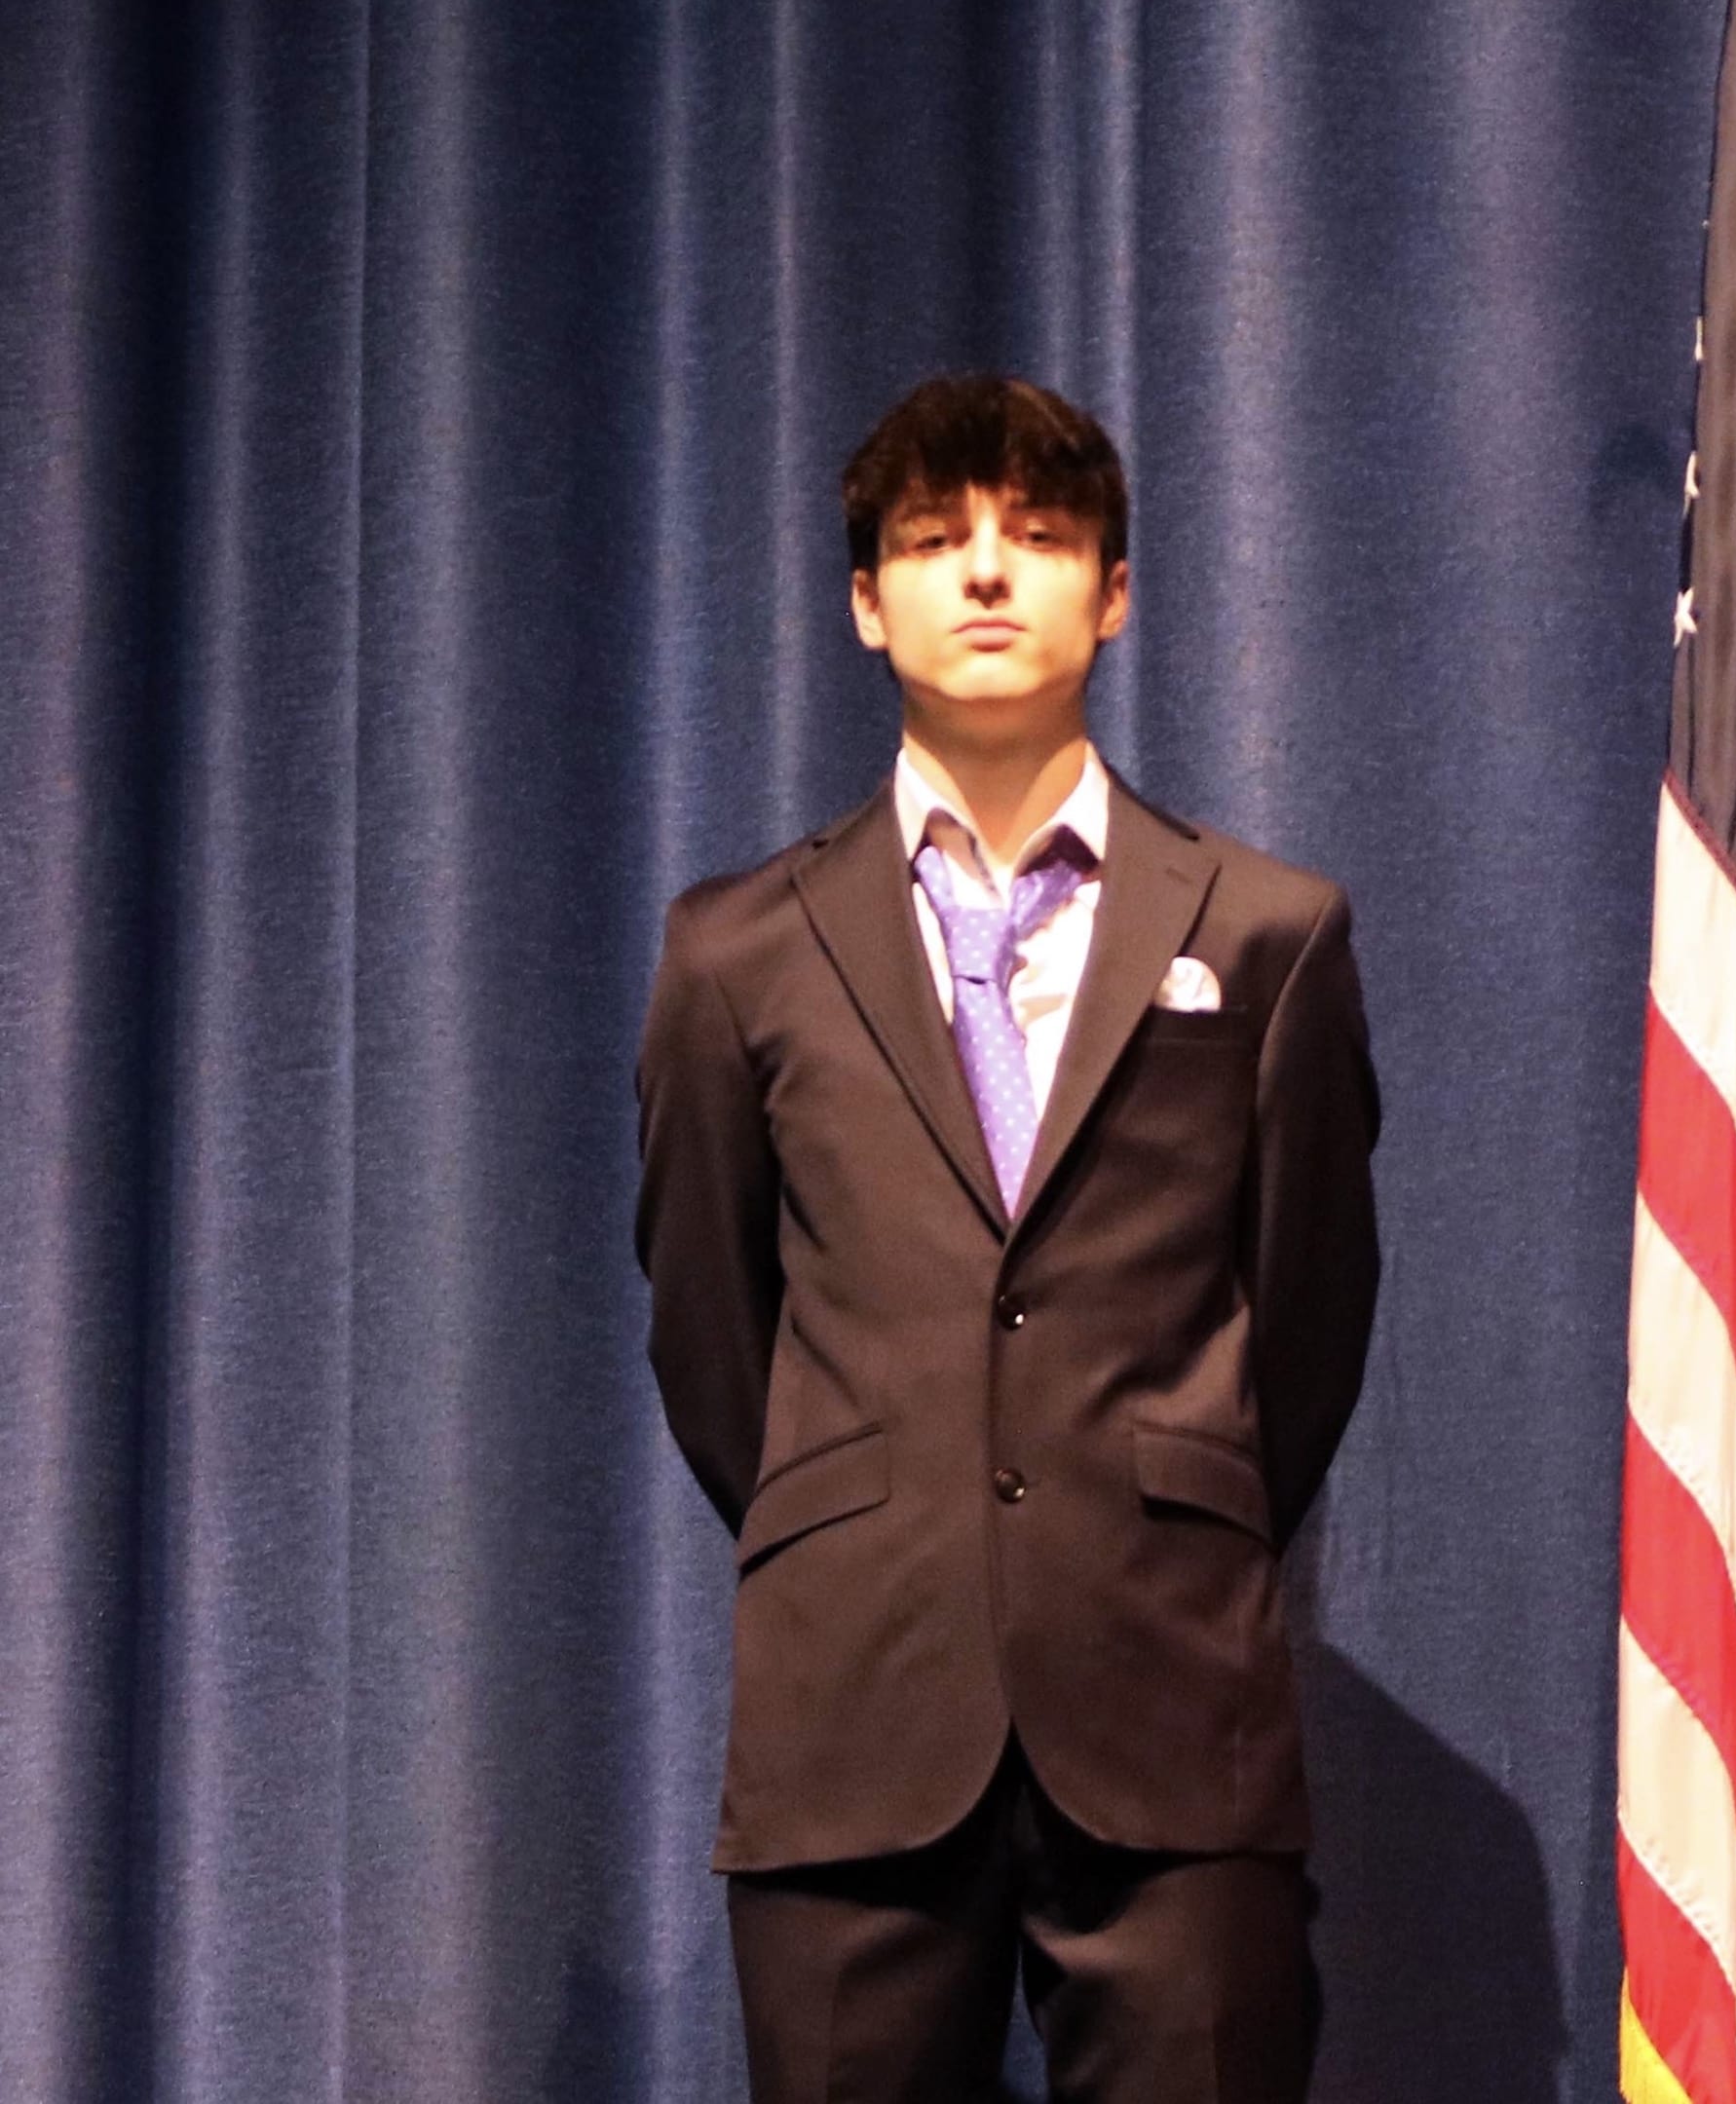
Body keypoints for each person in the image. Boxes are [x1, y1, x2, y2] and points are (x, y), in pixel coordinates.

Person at [636, 372, 1379, 2102]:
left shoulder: (1267, 934)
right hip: (854, 1724)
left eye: (1038, 537)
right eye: (933, 540)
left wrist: (1157, 1517)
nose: (985, 572)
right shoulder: (735, 953)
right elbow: (715, 1336)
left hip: (1174, 1719)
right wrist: (870, 1512)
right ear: (864, 602)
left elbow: (1306, 1329)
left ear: (1113, 594)